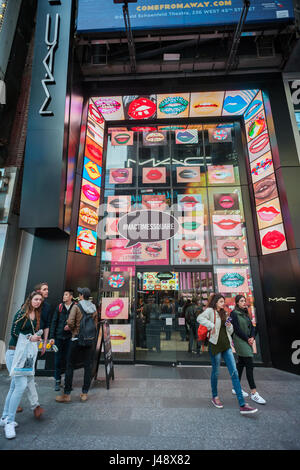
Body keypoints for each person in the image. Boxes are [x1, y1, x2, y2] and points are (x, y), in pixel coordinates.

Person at [197, 293, 258, 415]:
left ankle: (242, 404)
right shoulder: (210, 311)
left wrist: (229, 326)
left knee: (234, 372)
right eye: (220, 301)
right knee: (216, 372)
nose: (222, 303)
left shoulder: (224, 313)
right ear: (215, 302)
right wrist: (211, 325)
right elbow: (200, 318)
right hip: (215, 345)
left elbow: (229, 331)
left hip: (226, 345)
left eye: (223, 301)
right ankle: (215, 396)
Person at [0, 291, 43, 439]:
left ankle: (5, 417)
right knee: (20, 385)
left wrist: (36, 337)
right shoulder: (21, 313)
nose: (38, 302)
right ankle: (10, 422)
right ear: (30, 299)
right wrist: (30, 337)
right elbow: (14, 332)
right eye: (36, 299)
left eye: (40, 300)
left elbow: (28, 335)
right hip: (14, 353)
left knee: (14, 386)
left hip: (23, 355)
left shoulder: (35, 315)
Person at [55, 287, 97, 403]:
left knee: (70, 365)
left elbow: (70, 321)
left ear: (82, 296)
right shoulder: (94, 308)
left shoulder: (76, 307)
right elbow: (95, 324)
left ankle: (67, 394)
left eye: (79, 294)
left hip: (76, 339)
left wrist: (73, 329)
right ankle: (84, 393)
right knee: (87, 366)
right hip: (89, 340)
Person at [231, 295, 266, 405]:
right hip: (240, 340)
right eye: (241, 301)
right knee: (249, 365)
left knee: (241, 364)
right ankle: (254, 393)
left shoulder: (245, 312)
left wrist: (252, 337)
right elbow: (236, 329)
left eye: (244, 301)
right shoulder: (233, 313)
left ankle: (236, 387)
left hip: (247, 340)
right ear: (237, 303)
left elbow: (251, 327)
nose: (243, 302)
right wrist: (247, 339)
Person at [49, 290, 75, 391]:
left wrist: (70, 326)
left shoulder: (75, 307)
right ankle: (57, 381)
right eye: (63, 294)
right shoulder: (59, 307)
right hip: (59, 337)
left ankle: (68, 383)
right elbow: (54, 322)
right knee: (57, 360)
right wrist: (52, 336)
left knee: (69, 361)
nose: (64, 296)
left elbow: (78, 322)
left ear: (71, 297)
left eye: (66, 294)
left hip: (70, 338)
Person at [34, 282, 52, 356]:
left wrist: (45, 343)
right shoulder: (30, 304)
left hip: (39, 340)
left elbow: (47, 325)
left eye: (47, 289)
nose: (47, 291)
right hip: (27, 339)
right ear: (38, 291)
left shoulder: (47, 307)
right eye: (44, 289)